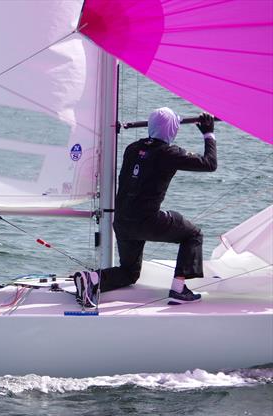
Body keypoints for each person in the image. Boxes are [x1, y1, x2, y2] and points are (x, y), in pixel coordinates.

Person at [74, 108, 217, 306]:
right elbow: (209, 164)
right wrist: (208, 133)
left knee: (129, 273)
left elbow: (148, 156)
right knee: (193, 234)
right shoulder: (169, 153)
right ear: (172, 129)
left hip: (123, 222)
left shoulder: (132, 148)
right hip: (147, 221)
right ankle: (178, 290)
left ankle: (92, 279)